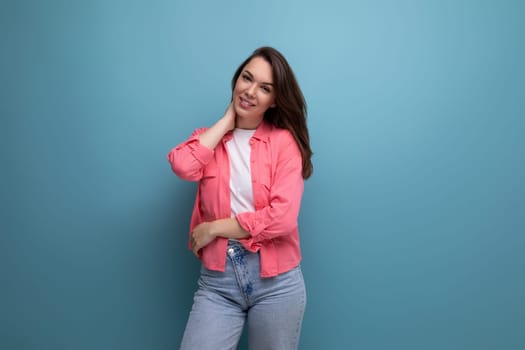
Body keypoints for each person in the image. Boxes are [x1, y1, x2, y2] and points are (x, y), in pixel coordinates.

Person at [167, 46, 313, 350]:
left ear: (274, 100)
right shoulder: (210, 139)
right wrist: (225, 123)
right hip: (218, 282)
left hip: (277, 283)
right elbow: (182, 165)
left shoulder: (284, 144)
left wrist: (214, 228)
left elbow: (282, 218)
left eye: (264, 88)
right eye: (246, 78)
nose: (250, 91)